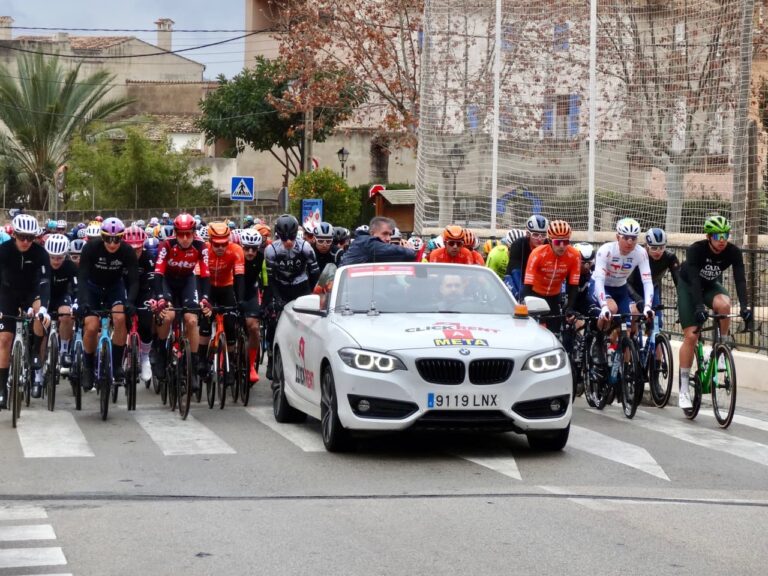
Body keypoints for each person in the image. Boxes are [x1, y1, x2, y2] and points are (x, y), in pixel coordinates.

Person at [675, 215, 751, 410]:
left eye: (725, 234)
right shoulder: (696, 250)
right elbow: (693, 280)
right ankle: (683, 388)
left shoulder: (733, 252)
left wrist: (745, 307)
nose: (722, 239)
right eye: (718, 235)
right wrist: (699, 307)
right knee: (691, 336)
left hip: (709, 286)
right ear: (709, 236)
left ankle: (722, 345)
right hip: (689, 287)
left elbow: (740, 280)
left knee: (724, 305)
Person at [77, 218, 138, 390]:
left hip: (114, 287)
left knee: (119, 318)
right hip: (92, 287)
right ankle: (88, 368)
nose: (112, 244)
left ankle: (117, 365)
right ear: (102, 237)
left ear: (122, 238)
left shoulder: (127, 251)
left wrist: (131, 301)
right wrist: (82, 302)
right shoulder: (90, 248)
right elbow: (81, 277)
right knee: (91, 326)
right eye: (108, 239)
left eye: (117, 239)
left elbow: (133, 280)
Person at [152, 213, 210, 391]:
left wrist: (205, 299)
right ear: (175, 233)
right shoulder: (166, 244)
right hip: (167, 281)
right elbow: (158, 273)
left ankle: (191, 367)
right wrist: (160, 297)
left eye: (188, 234)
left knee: (192, 320)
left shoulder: (201, 246)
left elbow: (205, 275)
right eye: (181, 234)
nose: (185, 239)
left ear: (194, 232)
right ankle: (161, 352)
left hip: (187, 281)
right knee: (168, 316)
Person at [0, 215, 52, 408]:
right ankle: (2, 389)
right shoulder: (3, 251)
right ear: (14, 234)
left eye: (30, 238)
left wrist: (44, 308)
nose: (25, 242)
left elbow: (45, 283)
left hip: (32, 293)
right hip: (7, 293)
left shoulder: (40, 253)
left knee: (40, 313)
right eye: (22, 237)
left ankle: (34, 352)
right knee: (4, 338)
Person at [263, 214, 320, 378]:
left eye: (292, 238)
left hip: (301, 287)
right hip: (280, 286)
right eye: (284, 238)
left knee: (307, 324)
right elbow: (271, 279)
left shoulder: (306, 248)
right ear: (277, 236)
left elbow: (315, 276)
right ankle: (272, 359)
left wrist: (313, 296)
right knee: (273, 322)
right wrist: (276, 299)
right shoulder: (271, 250)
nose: (288, 242)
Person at [199, 222, 245, 388]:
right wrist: (202, 300)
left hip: (227, 288)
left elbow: (240, 277)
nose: (220, 248)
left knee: (230, 324)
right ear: (210, 241)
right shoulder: (203, 250)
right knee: (204, 322)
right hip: (208, 288)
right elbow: (199, 278)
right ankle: (202, 360)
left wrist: (240, 301)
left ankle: (231, 365)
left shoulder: (236, 250)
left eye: (224, 244)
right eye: (216, 244)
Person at [521, 220, 581, 334]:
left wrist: (570, 307)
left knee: (555, 334)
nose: (562, 246)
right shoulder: (537, 253)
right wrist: (526, 303)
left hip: (554, 298)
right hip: (535, 295)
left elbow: (573, 285)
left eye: (566, 242)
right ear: (549, 241)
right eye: (558, 242)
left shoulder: (574, 255)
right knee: (531, 332)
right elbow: (528, 284)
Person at [628, 227, 679, 327]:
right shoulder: (637, 255)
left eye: (662, 247)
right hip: (633, 289)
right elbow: (627, 281)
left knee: (657, 323)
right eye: (654, 248)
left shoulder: (669, 257)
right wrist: (638, 299)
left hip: (652, 288)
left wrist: (682, 301)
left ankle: (654, 339)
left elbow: (680, 282)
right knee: (633, 317)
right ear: (646, 246)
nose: (658, 252)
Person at [43, 234, 76, 386]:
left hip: (61, 296)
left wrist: (76, 304)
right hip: (44, 298)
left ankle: (63, 350)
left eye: (60, 258)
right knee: (39, 326)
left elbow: (77, 287)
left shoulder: (70, 267)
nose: (56, 261)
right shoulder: (41, 265)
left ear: (65, 256)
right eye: (53, 257)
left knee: (66, 313)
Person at [123, 226, 154, 383]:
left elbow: (153, 281)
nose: (135, 253)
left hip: (143, 292)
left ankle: (145, 357)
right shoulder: (120, 257)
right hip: (124, 291)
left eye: (138, 249)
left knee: (147, 321)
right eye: (131, 249)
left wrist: (154, 299)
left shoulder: (148, 258)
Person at [239, 228, 265, 383]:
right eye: (246, 248)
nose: (250, 252)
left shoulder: (262, 258)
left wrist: (267, 302)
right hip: (233, 292)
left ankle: (251, 366)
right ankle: (223, 359)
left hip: (251, 293)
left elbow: (266, 282)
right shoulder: (234, 256)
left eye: (254, 249)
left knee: (254, 327)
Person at [340, 217, 416, 266]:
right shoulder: (367, 243)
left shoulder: (366, 245)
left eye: (390, 235)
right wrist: (410, 250)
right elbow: (405, 254)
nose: (389, 238)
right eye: (385, 234)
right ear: (372, 233)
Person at [504, 215, 549, 298]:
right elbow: (516, 272)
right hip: (516, 276)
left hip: (537, 279)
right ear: (528, 234)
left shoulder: (548, 245)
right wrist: (524, 296)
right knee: (520, 296)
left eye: (543, 235)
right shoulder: (518, 245)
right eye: (535, 235)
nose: (539, 239)